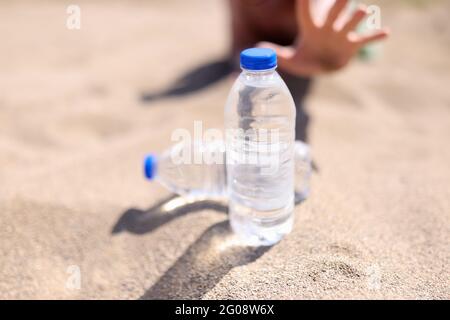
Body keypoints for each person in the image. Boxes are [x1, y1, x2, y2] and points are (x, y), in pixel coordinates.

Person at [229, 0, 389, 140]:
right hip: (301, 37)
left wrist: (324, 50)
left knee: (365, 48)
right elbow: (240, 46)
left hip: (338, 32)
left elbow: (325, 9)